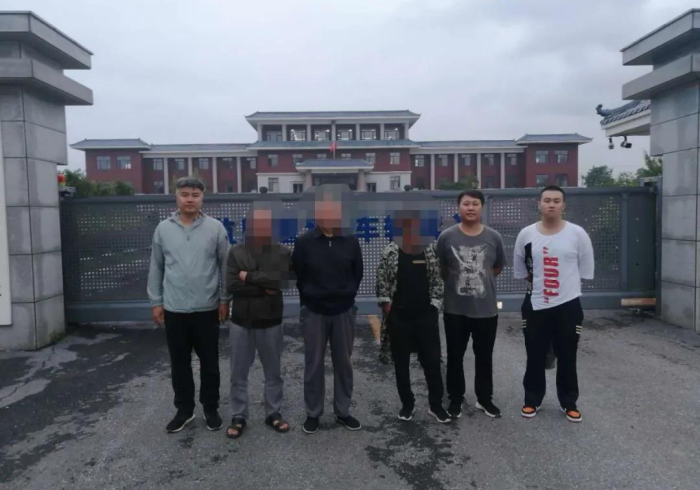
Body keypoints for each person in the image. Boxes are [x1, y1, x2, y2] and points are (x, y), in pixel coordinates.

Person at [147, 177, 230, 433]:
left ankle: (211, 408)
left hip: (207, 308)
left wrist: (224, 299)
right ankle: (184, 410)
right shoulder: (163, 229)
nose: (190, 199)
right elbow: (157, 266)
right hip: (174, 309)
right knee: (179, 362)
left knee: (210, 363)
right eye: (185, 194)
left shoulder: (215, 228)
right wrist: (156, 301)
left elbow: (225, 266)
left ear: (202, 198)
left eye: (195, 194)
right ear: (177, 197)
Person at [513, 185, 594, 423]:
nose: (551, 204)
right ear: (539, 204)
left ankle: (569, 402)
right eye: (547, 200)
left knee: (568, 355)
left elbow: (584, 270)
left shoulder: (577, 234)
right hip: (536, 304)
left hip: (568, 306)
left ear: (563, 205)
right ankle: (532, 399)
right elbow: (522, 269)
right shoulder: (526, 234)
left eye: (556, 201)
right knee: (534, 355)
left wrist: (562, 289)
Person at [291, 185, 363, 434]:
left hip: (343, 311)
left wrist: (346, 296)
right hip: (314, 311)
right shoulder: (304, 242)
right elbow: (298, 275)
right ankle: (313, 413)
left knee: (344, 363)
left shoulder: (350, 241)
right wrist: (309, 300)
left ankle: (343, 411)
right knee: (313, 364)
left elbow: (357, 274)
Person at [436, 190, 506, 419]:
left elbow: (496, 267)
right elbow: (441, 268)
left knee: (484, 357)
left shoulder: (494, 237)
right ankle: (455, 399)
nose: (470, 208)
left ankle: (484, 399)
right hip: (455, 309)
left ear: (481, 207)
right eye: (466, 204)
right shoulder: (446, 237)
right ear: (458, 207)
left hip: (486, 310)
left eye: (475, 204)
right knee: (455, 357)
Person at [225, 200, 292, 439]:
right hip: (241, 321)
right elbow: (232, 284)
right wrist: (264, 285)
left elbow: (282, 282)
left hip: (270, 320)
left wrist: (249, 277)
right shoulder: (236, 252)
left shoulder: (282, 252)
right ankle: (239, 415)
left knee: (273, 372)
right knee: (238, 373)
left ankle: (273, 412)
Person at [376, 210, 450, 423]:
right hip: (399, 318)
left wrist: (434, 307)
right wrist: (387, 307)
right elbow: (382, 282)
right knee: (401, 365)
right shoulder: (390, 251)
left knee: (432, 362)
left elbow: (438, 281)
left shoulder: (430, 250)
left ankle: (436, 405)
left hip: (425, 317)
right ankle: (407, 404)